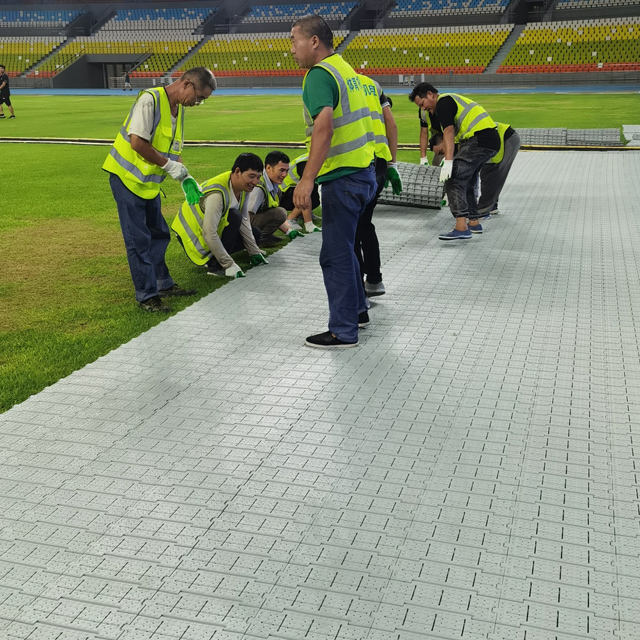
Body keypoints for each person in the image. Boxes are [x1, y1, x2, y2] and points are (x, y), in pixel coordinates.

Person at [290, 14, 377, 348]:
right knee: (347, 248)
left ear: (314, 41)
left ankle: (343, 330)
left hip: (343, 178)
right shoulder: (346, 69)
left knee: (334, 255)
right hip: (364, 172)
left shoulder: (318, 75)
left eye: (294, 40)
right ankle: (358, 312)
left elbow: (324, 129)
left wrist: (306, 180)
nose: (292, 49)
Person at [102, 67, 216, 312]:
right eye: (199, 97)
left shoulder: (178, 110)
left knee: (159, 234)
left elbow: (173, 151)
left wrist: (186, 178)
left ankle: (162, 283)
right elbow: (137, 142)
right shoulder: (150, 100)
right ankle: (147, 296)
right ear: (186, 84)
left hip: (149, 185)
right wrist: (168, 165)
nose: (198, 103)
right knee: (138, 240)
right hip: (127, 179)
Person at [410, 82, 500, 241]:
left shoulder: (443, 102)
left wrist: (449, 161)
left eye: (422, 104)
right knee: (468, 180)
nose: (423, 108)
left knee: (453, 177)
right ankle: (473, 222)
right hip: (488, 140)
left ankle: (461, 227)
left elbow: (449, 131)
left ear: (430, 94)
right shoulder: (448, 102)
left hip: (479, 140)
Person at [171, 153, 268, 278]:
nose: (255, 182)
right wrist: (228, 264)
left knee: (255, 233)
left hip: (209, 228)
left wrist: (254, 251)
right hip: (193, 237)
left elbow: (245, 219)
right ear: (237, 171)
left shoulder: (243, 186)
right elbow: (209, 232)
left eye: (258, 177)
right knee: (234, 217)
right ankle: (215, 265)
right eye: (251, 176)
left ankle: (218, 256)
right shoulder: (217, 195)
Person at [355, 73, 401, 298]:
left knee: (351, 228)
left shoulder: (336, 82)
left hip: (356, 164)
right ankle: (374, 280)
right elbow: (391, 124)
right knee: (365, 223)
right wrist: (392, 164)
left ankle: (357, 287)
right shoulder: (373, 84)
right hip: (380, 162)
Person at [246, 150, 303, 248]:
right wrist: (250, 244)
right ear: (268, 168)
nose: (285, 174)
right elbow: (246, 217)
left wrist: (289, 231)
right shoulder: (259, 188)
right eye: (281, 170)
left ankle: (263, 237)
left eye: (286, 171)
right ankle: (260, 239)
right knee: (280, 212)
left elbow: (271, 213)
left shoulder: (274, 186)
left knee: (278, 212)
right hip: (242, 224)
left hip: (250, 222)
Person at [476, 122, 520, 217]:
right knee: (488, 173)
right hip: (495, 139)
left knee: (490, 173)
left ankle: (483, 211)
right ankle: (491, 207)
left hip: (506, 139)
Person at [279, 152, 322, 233]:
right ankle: (291, 219)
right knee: (307, 190)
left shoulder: (312, 159)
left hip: (290, 191)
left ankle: (303, 214)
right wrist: (308, 223)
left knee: (314, 194)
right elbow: (304, 188)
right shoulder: (305, 163)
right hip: (283, 195)